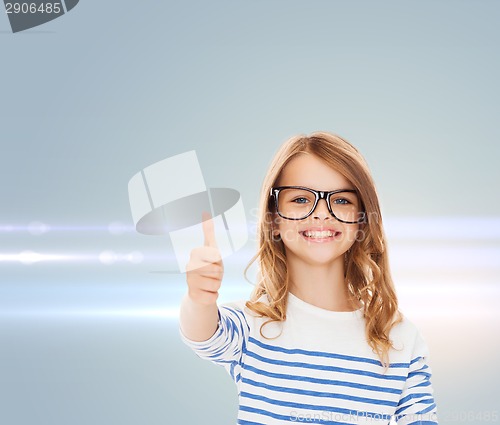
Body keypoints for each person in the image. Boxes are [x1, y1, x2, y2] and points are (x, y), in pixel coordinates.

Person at [179, 132, 439, 425]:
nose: (321, 214)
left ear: (362, 220)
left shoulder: (400, 338)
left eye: (341, 200)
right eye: (301, 199)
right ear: (274, 219)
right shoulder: (252, 326)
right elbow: (203, 336)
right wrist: (199, 299)